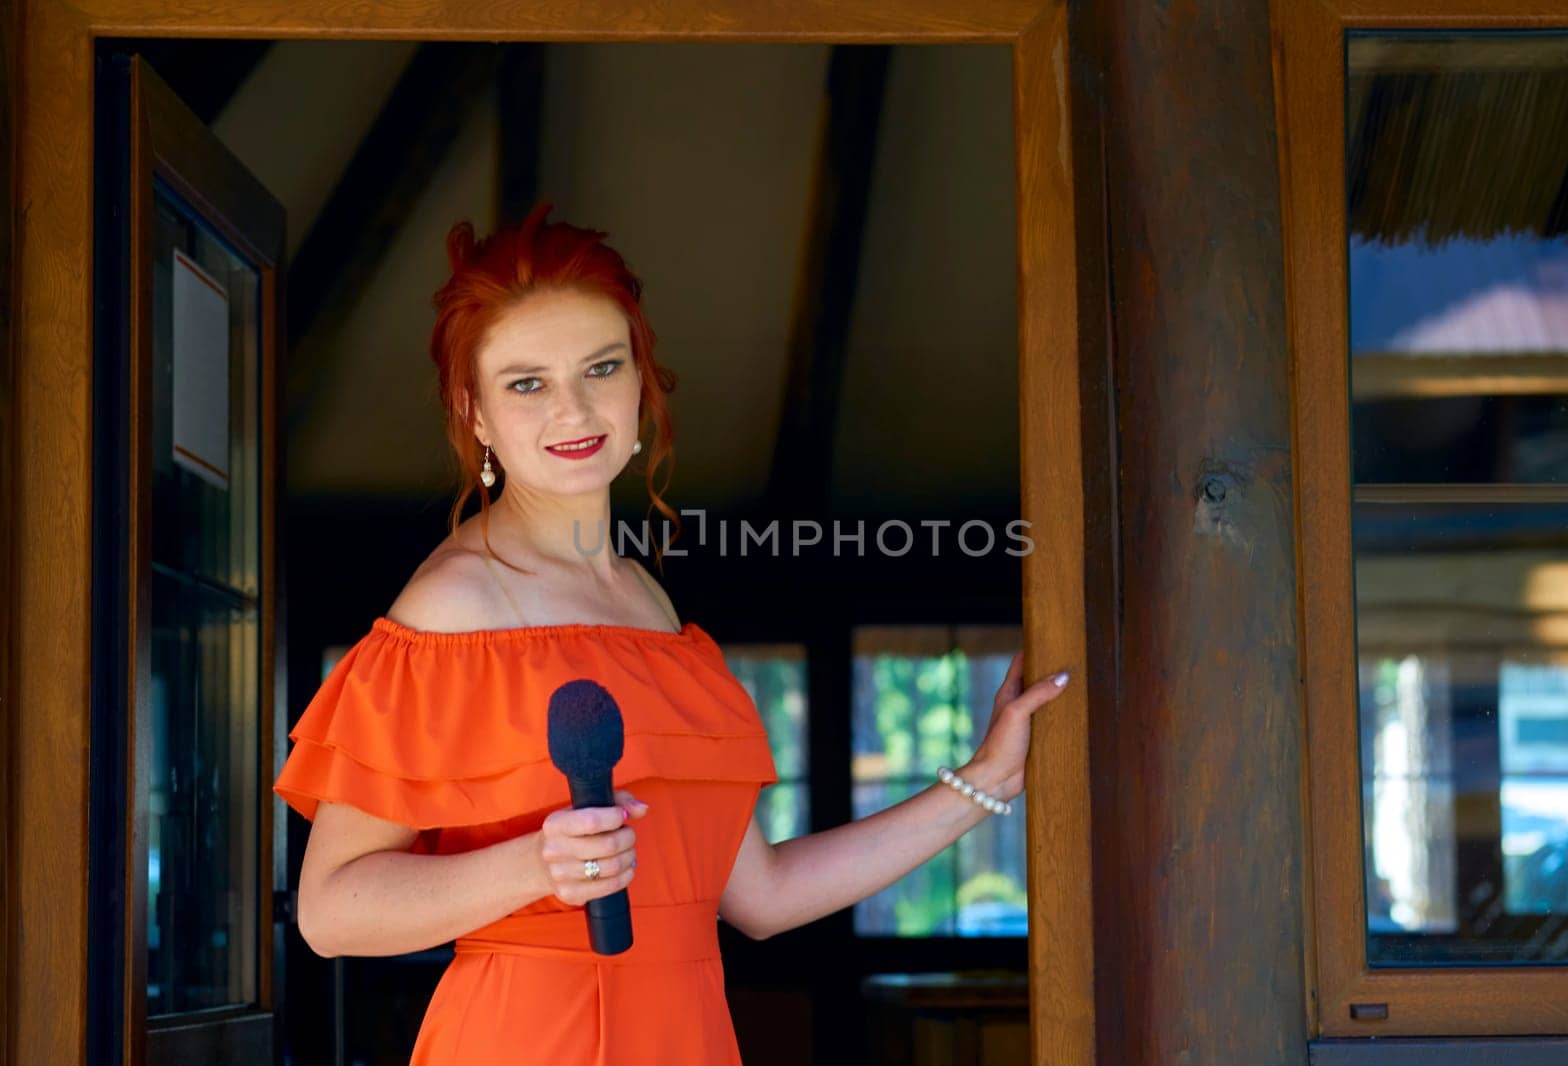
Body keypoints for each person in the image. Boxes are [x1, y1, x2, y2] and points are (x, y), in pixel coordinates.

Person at [271, 201, 1071, 1065]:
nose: (573, 410)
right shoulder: (450, 611)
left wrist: (982, 783)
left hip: (687, 1034)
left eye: (602, 368)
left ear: (640, 380)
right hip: (528, 1039)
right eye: (526, 383)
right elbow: (330, 912)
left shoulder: (651, 607)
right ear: (475, 412)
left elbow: (759, 895)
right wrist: (536, 868)